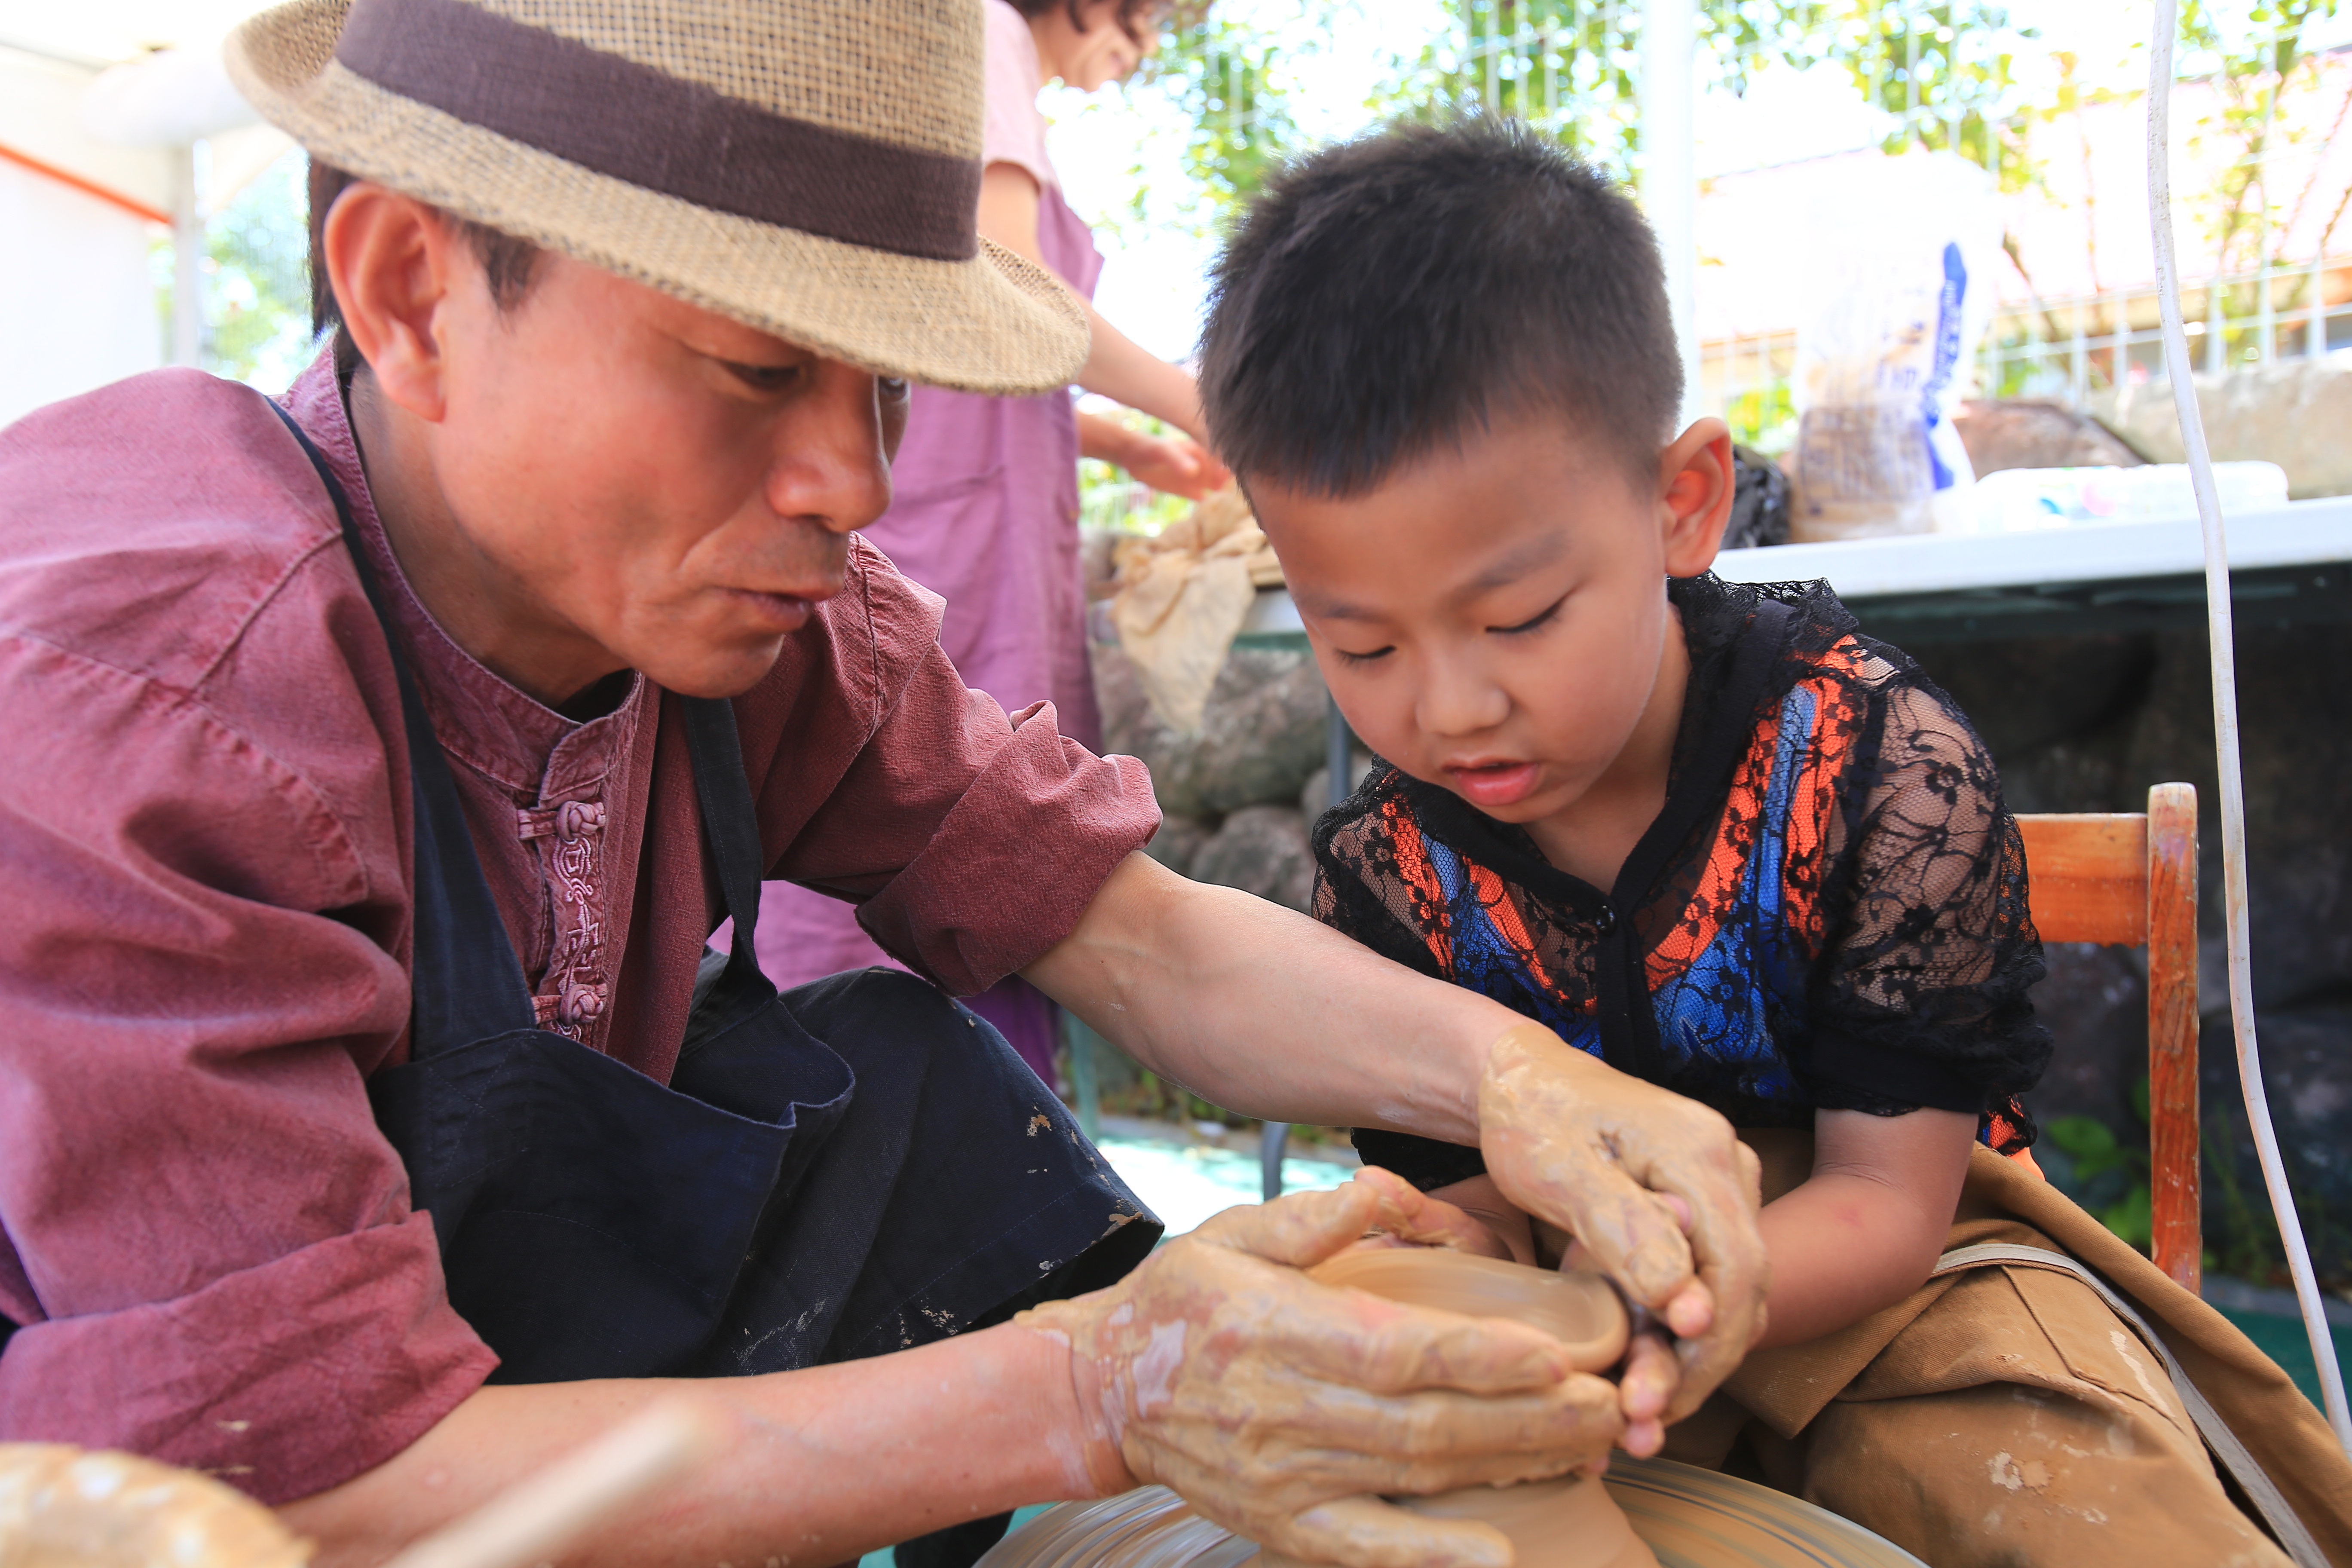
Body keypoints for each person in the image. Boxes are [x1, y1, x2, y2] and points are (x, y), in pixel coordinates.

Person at [0, 7, 1775, 1568]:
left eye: (887, 389)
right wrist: (1105, 1389)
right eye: (762, 368)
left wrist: (1519, 1075)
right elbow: (303, 1492)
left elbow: (1135, 939)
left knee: (894, 1080)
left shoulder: (763, 626)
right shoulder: (150, 698)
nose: (851, 475)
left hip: (483, 1440)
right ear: (410, 293)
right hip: (164, 1509)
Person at [1192, 117, 2352, 1568]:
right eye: (1357, 642)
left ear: (1680, 503)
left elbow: (1886, 1203)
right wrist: (1457, 1282)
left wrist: (1643, 1309)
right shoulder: (1393, 867)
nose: (1447, 707)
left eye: (1519, 619)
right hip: (1587, 1322)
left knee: (2099, 1520)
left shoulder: (1874, 769)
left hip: (1905, 1291)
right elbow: (1473, 1196)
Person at [753, 0, 1225, 1087]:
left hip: (984, 517)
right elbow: (1008, 295)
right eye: (1138, 24)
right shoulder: (988, 36)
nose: (1131, 58)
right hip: (958, 544)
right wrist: (1204, 406)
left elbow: (975, 334)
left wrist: (1121, 443)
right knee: (944, 831)